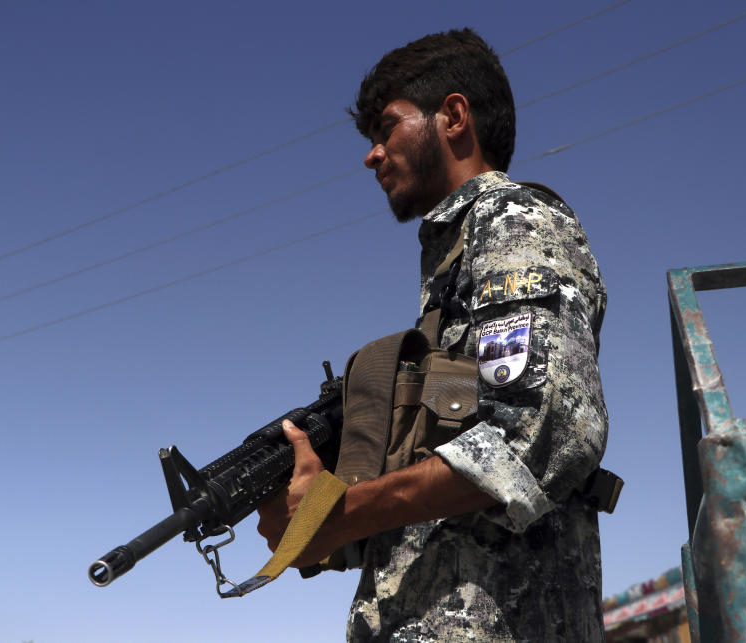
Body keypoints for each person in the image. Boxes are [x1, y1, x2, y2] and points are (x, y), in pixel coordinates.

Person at [257, 28, 608, 642]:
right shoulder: (451, 270)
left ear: (452, 116)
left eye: (386, 128)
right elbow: (441, 510)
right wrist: (318, 535)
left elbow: (539, 432)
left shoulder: (513, 221)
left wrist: (338, 514)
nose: (371, 155)